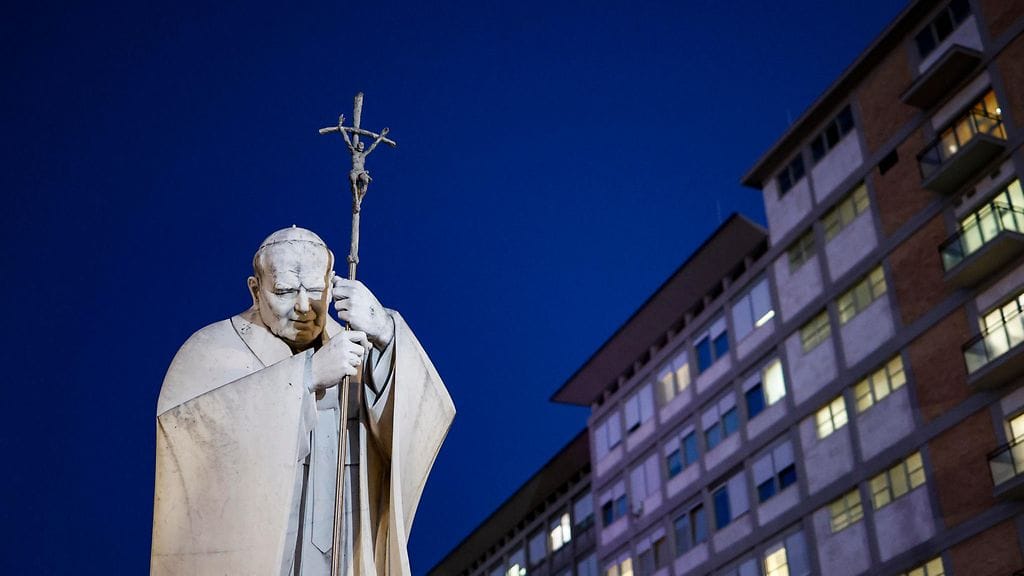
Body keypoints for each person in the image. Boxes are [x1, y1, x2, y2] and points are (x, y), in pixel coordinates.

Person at [151, 226, 454, 576]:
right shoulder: (212, 351)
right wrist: (306, 377)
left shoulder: (357, 348)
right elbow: (189, 445)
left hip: (347, 551)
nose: (303, 306)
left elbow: (423, 423)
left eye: (314, 289)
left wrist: (385, 332)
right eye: (284, 291)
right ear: (256, 290)